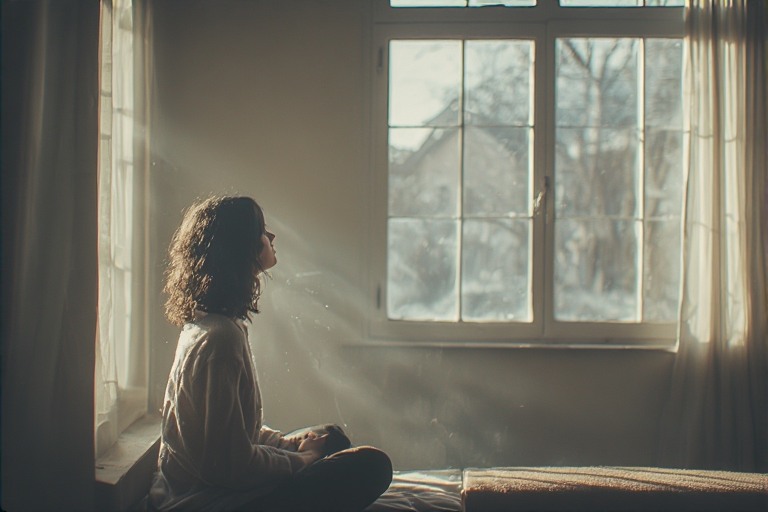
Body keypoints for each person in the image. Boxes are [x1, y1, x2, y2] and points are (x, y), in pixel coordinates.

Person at [148, 196, 392, 511]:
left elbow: (233, 434)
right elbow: (231, 467)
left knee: (333, 437)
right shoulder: (221, 341)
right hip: (210, 501)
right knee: (374, 465)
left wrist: (290, 446)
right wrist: (303, 460)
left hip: (211, 489)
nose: (272, 237)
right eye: (262, 230)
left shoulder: (211, 327)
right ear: (243, 248)